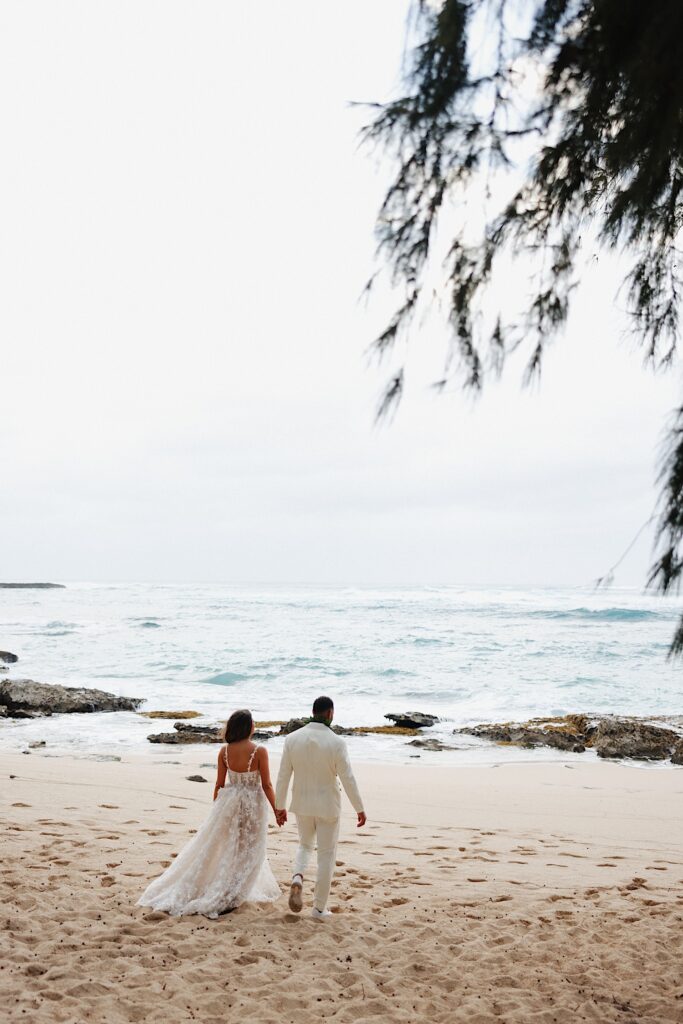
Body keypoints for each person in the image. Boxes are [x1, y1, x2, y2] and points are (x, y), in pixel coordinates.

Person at [137, 708, 281, 917]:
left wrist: (216, 811)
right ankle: (234, 891)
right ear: (249, 727)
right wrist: (277, 810)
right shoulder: (259, 751)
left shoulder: (224, 751)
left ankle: (230, 886)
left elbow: (219, 784)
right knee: (250, 848)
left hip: (229, 803)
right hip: (252, 804)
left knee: (231, 846)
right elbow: (266, 784)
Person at [275, 695, 366, 919]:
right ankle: (318, 909)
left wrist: (280, 806)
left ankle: (297, 876)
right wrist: (359, 808)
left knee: (305, 845)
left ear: (313, 711)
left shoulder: (292, 739)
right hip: (328, 806)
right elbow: (348, 778)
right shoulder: (336, 742)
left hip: (302, 803)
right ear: (330, 714)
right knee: (326, 855)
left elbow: (283, 776)